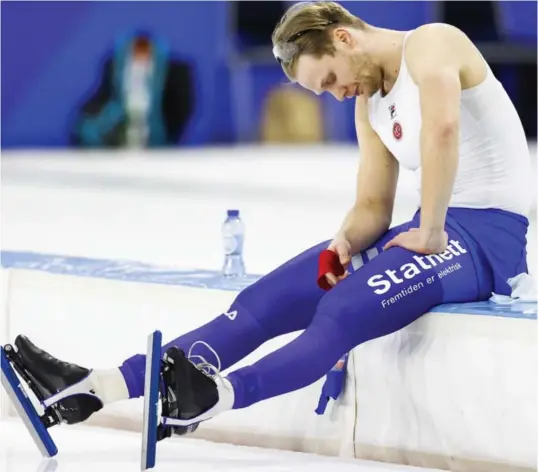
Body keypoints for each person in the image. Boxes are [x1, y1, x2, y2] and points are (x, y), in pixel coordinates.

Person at [12, 1, 531, 439]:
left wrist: (433, 230)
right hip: (428, 230)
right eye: (321, 91)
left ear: (345, 39)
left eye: (328, 79)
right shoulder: (369, 104)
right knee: (264, 302)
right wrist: (344, 243)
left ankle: (217, 396)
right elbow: (374, 206)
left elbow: (442, 129)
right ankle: (96, 386)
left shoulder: (433, 42)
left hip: (485, 239)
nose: (335, 93)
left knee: (342, 310)